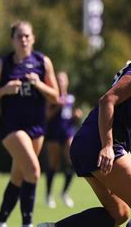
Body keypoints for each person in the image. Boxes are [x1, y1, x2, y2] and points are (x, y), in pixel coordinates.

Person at [38, 21, 131, 227]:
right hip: (97, 144)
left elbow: (120, 118)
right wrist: (108, 146)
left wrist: (126, 156)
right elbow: (107, 101)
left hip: (86, 144)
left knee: (117, 213)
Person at [0, 21, 59, 227]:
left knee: (18, 177)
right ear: (12, 40)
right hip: (11, 127)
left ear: (33, 38)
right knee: (34, 172)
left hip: (37, 128)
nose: (24, 39)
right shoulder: (2, 64)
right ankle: (27, 223)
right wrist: (4, 90)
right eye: (19, 36)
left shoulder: (43, 62)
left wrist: (39, 84)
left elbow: (55, 97)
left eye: (27, 36)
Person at [44, 71, 83, 208]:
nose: (60, 82)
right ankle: (48, 195)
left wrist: (76, 116)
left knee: (72, 161)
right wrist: (58, 106)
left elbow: (69, 116)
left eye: (62, 80)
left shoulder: (71, 98)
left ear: (67, 82)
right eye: (58, 79)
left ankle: (64, 193)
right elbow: (47, 115)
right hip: (53, 134)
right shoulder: (52, 97)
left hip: (67, 133)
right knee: (53, 165)